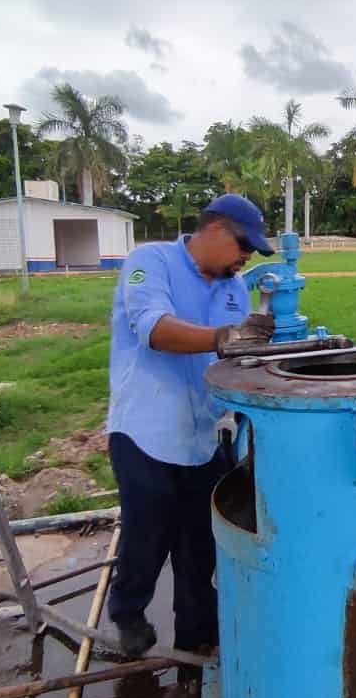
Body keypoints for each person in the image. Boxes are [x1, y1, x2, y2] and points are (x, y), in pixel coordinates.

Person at [106, 194, 277, 656]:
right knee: (148, 533)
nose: (246, 258)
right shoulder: (151, 261)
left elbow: (236, 357)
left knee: (199, 540)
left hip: (203, 432)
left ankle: (196, 630)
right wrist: (225, 338)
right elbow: (155, 330)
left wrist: (258, 359)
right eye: (244, 246)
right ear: (217, 231)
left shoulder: (233, 289)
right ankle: (127, 611)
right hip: (146, 429)